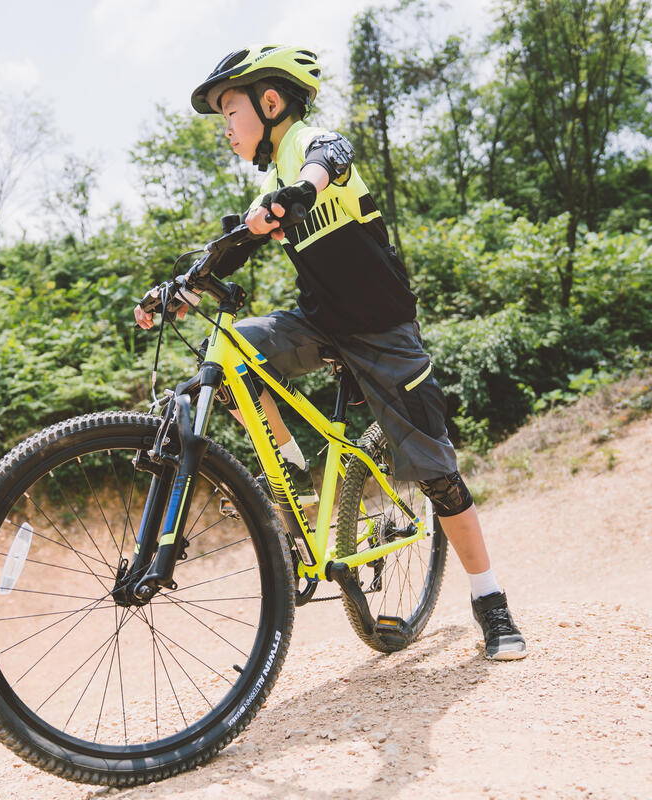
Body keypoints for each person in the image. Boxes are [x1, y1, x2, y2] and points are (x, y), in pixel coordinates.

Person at [134, 44, 526, 661]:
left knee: (437, 472)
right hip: (317, 323)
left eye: (229, 111)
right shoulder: (269, 185)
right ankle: (291, 473)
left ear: (270, 102)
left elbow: (330, 159)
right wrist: (179, 289)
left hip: (382, 328)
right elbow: (234, 245)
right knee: (232, 353)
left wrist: (298, 194)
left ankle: (490, 600)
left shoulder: (310, 147)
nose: (226, 129)